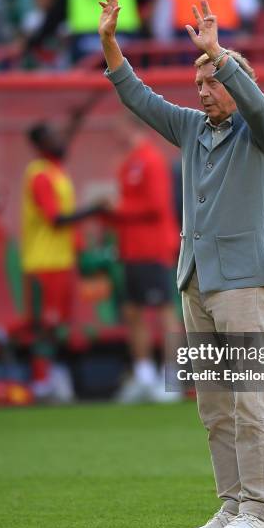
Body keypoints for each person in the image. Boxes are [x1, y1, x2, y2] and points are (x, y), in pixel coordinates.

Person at [99, 0, 264, 528]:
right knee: (213, 405)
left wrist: (220, 54)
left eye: (211, 83)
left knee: (249, 399)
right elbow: (138, 96)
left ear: (234, 81)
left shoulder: (263, 129)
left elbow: (253, 100)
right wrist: (110, 44)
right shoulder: (192, 128)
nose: (202, 92)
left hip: (244, 285)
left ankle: (258, 509)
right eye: (198, 83)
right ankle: (231, 504)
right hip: (196, 283)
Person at [22, 107, 105, 398]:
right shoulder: (40, 175)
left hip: (61, 261)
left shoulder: (55, 169)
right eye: (52, 137)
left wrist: (74, 121)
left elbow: (64, 142)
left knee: (57, 324)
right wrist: (94, 210)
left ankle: (50, 376)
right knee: (45, 324)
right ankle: (41, 380)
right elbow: (55, 219)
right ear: (40, 144)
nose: (59, 140)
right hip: (43, 263)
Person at [104, 115, 180, 403]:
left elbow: (156, 205)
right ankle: (145, 375)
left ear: (132, 127)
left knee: (163, 310)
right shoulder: (128, 161)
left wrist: (119, 207)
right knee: (134, 311)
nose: (114, 133)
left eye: (119, 126)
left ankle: (171, 376)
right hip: (131, 249)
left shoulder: (151, 159)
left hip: (153, 248)